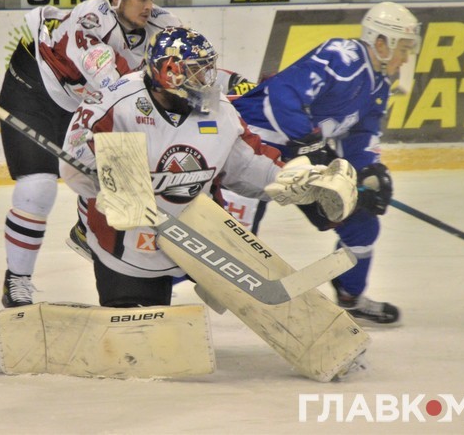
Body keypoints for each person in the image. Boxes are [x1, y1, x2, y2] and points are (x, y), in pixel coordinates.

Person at [59, 26, 354, 308]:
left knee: (255, 284)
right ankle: (90, 238)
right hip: (127, 243)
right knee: (142, 325)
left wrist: (292, 180)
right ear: (170, 72)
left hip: (197, 229)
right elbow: (74, 162)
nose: (206, 79)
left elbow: (247, 163)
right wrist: (104, 181)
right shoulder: (115, 103)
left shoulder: (219, 110)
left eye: (206, 68)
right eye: (197, 70)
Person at [0, 0, 181, 308]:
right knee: (37, 188)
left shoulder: (162, 24)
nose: (149, 5)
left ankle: (90, 233)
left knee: (114, 178)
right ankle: (17, 281)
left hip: (87, 99)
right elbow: (115, 87)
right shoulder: (89, 24)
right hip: (34, 91)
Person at [229, 2, 422, 325]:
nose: (405, 58)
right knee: (229, 242)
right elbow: (282, 95)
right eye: (403, 48)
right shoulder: (343, 57)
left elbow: (360, 135)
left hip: (301, 154)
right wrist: (309, 141)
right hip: (252, 144)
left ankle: (350, 296)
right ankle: (149, 291)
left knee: (360, 218)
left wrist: (370, 172)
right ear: (381, 43)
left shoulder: (379, 85)